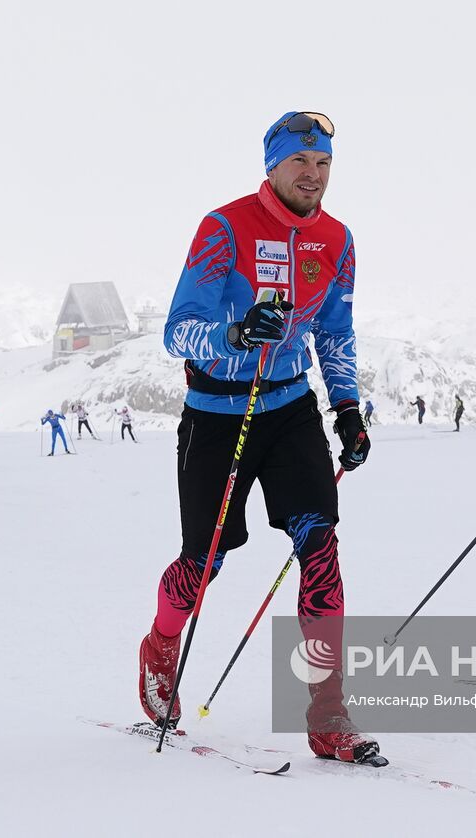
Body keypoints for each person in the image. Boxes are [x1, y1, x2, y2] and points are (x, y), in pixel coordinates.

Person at [137, 110, 376, 764]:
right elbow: (177, 331)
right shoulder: (225, 227)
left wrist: (347, 407)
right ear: (272, 164)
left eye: (324, 163)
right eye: (301, 162)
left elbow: (334, 332)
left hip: (291, 406)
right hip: (218, 412)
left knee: (319, 544)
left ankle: (328, 711)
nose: (314, 175)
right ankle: (161, 645)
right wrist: (235, 335)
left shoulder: (338, 239)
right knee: (204, 559)